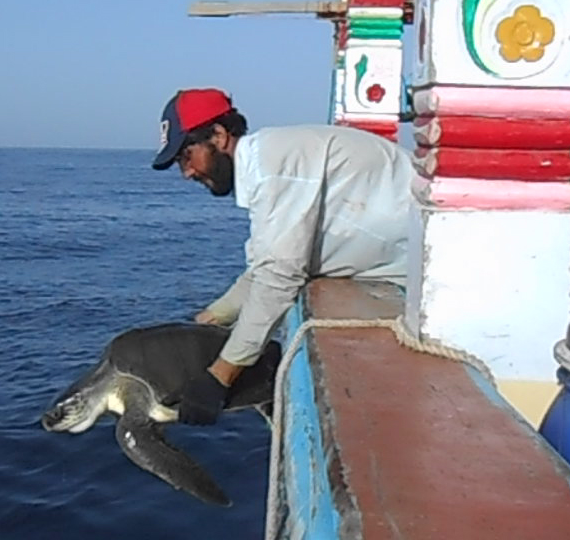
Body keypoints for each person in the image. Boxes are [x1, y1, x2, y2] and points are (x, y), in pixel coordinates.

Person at [152, 88, 412, 425]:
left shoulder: (273, 165)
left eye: (187, 156)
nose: (186, 172)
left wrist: (219, 377)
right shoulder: (266, 167)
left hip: (444, 268)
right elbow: (262, 269)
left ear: (218, 135)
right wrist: (209, 320)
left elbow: (278, 279)